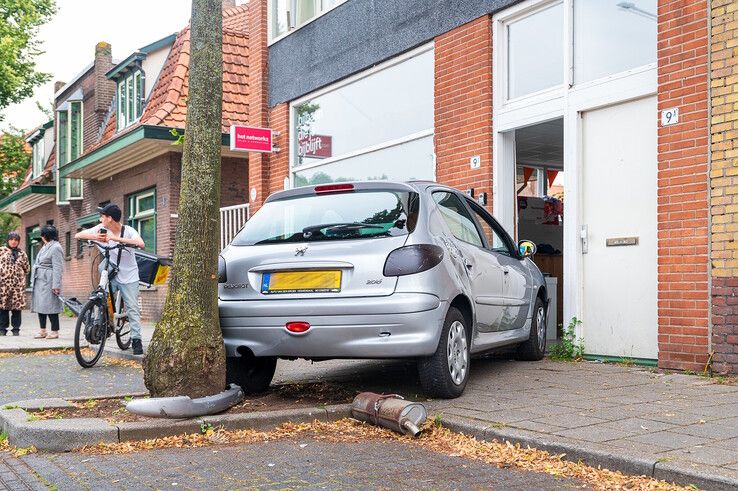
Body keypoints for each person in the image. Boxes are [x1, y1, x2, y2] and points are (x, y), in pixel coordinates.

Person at [75, 204, 146, 355]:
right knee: (101, 298)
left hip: (129, 276)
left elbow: (140, 243)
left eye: (103, 216)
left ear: (110, 218)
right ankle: (100, 325)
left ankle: (136, 339)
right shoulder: (101, 229)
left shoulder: (128, 231)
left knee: (132, 308)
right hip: (111, 272)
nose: (100, 219)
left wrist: (115, 238)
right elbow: (78, 235)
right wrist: (96, 237)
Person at [31, 225, 64, 339]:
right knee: (41, 305)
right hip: (40, 279)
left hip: (49, 280)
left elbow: (58, 267)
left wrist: (56, 285)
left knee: (51, 306)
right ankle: (42, 330)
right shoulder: (45, 246)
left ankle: (55, 331)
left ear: (44, 236)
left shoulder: (56, 247)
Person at [0, 232, 30, 336]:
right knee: (3, 307)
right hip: (3, 286)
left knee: (16, 308)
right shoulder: (1, 251)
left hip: (17, 287)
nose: (13, 241)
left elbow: (27, 269)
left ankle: (16, 329)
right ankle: (2, 329)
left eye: (16, 240)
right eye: (11, 239)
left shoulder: (22, 253)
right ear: (8, 240)